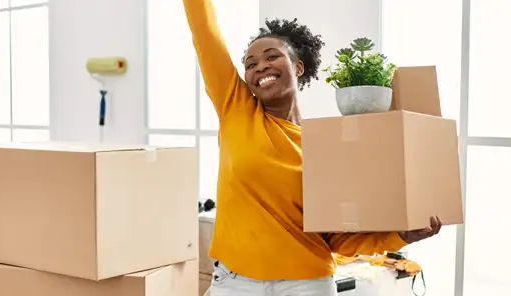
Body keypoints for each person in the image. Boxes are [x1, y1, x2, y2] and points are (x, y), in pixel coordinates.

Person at [182, 0, 442, 295]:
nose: (260, 66)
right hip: (234, 284)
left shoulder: (325, 144)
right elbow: (205, 34)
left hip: (306, 284)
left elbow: (337, 240)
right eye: (250, 64)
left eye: (272, 57)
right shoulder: (237, 111)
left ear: (298, 66)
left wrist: (401, 235)